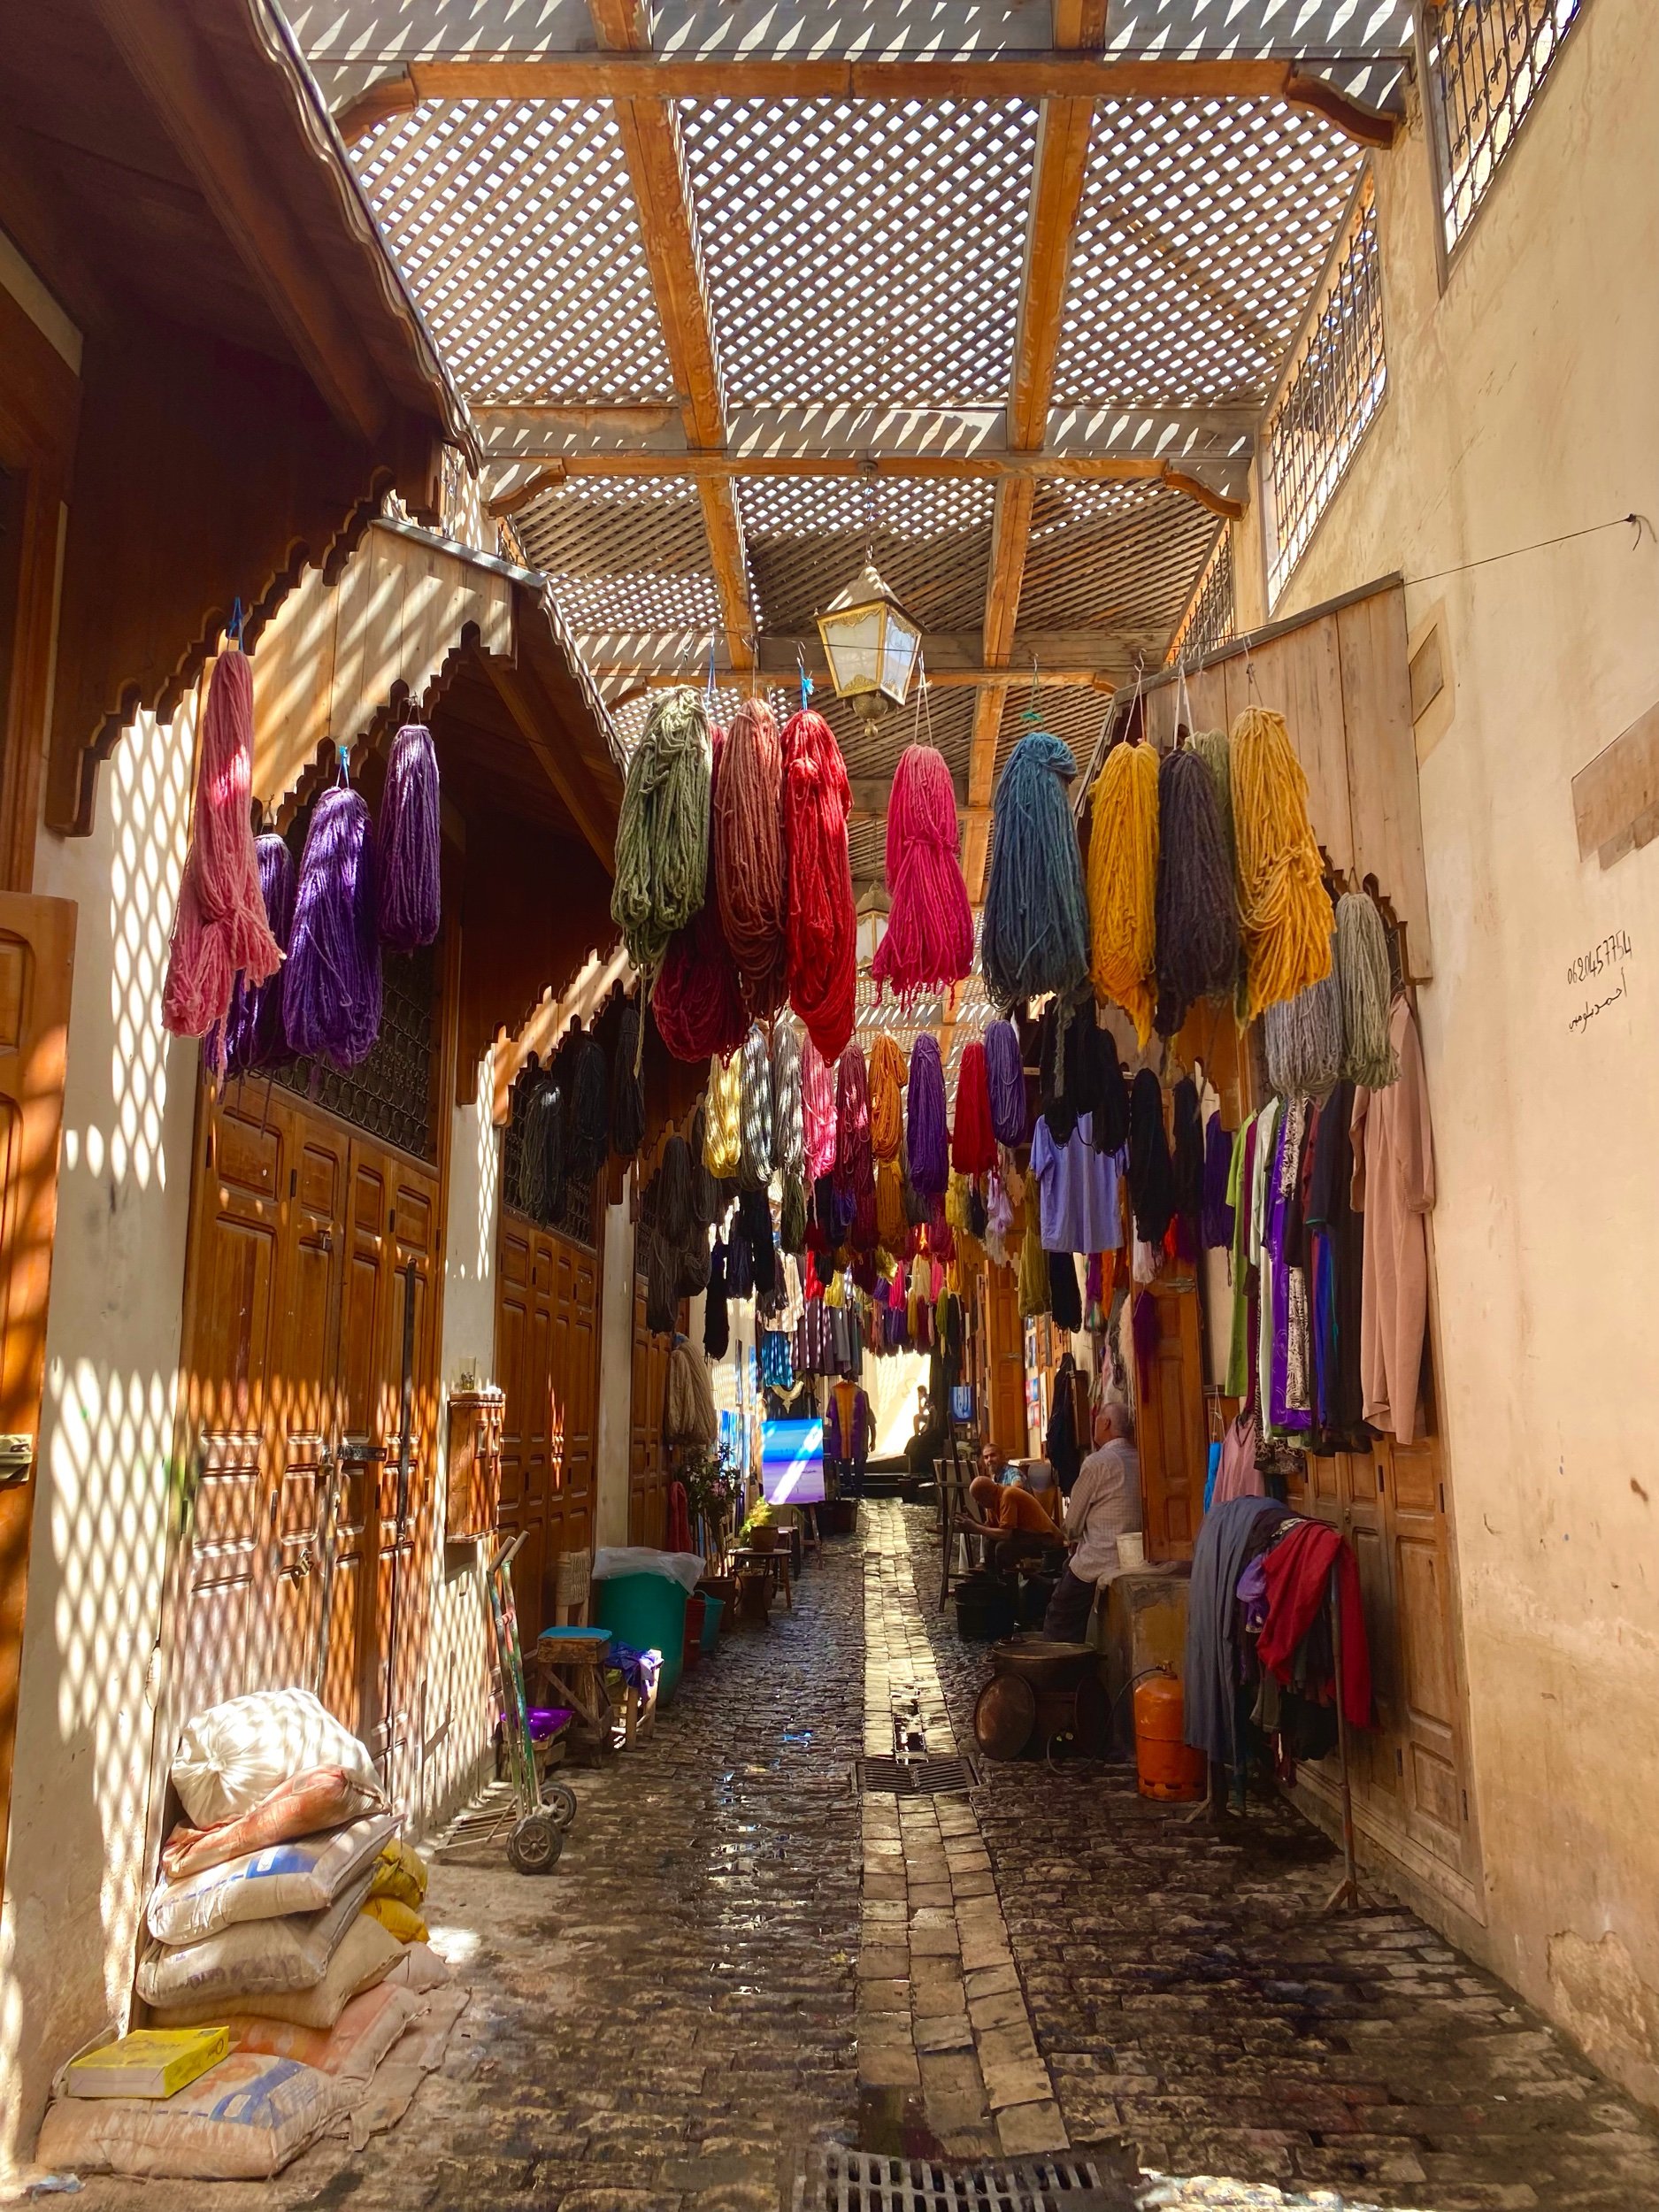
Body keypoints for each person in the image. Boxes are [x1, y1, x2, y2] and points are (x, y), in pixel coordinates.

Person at [1042, 1400, 1143, 1640]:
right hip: (1137, 1553)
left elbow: (1073, 1522)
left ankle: (1060, 1668)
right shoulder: (1141, 1459)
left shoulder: (1097, 1463)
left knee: (1060, 1614)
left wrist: (1073, 1535)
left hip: (1101, 1557)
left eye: (1097, 1419)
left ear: (1106, 1423)